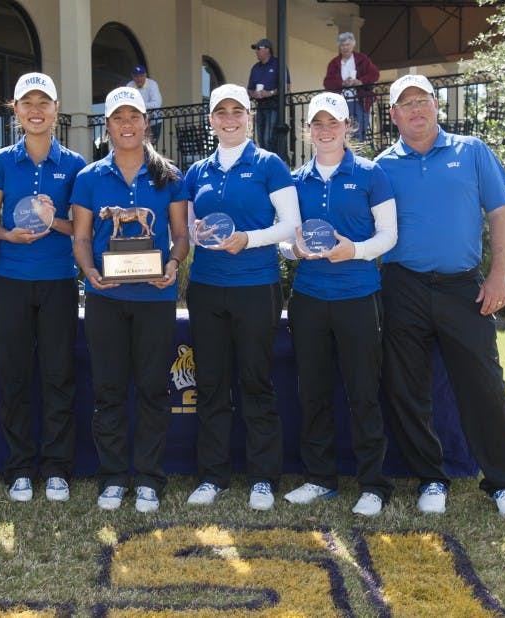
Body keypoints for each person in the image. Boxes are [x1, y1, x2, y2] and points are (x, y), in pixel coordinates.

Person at [375, 74, 505, 518]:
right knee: (407, 388)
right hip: (402, 286)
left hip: (465, 287)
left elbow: (500, 213)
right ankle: (431, 478)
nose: (416, 109)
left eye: (422, 100)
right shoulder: (382, 165)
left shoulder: (473, 151)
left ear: (436, 106)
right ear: (393, 116)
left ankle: (501, 481)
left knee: (484, 384)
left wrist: (499, 275)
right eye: (406, 104)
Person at [71, 86, 189, 513]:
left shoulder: (169, 176)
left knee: (153, 388)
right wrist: (89, 271)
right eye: (118, 118)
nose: (126, 125)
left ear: (145, 123)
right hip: (106, 297)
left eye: (133, 117)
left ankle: (150, 479)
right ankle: (114, 476)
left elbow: (180, 236)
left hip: (156, 297)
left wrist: (173, 265)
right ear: (108, 126)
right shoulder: (89, 177)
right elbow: (82, 237)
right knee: (108, 389)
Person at [184, 84, 300, 511]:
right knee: (211, 383)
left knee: (256, 381)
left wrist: (247, 239)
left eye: (237, 110)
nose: (229, 118)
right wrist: (196, 237)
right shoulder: (196, 172)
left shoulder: (270, 164)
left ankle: (263, 478)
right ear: (210, 120)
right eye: (221, 112)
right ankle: (212, 475)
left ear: (249, 117)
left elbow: (290, 226)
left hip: (257, 286)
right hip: (208, 288)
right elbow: (192, 231)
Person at [281, 92, 397, 516]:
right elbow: (285, 242)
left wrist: (355, 251)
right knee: (312, 392)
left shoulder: (371, 174)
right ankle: (320, 479)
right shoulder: (294, 179)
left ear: (349, 126)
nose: (326, 130)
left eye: (334, 122)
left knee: (363, 392)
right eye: (317, 123)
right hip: (309, 298)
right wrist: (295, 251)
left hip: (358, 297)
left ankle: (373, 484)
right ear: (307, 130)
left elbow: (388, 236)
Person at [0, 72, 86, 503]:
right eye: (28, 103)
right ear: (16, 110)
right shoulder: (1, 162)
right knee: (14, 375)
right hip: (11, 280)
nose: (36, 110)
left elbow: (80, 230)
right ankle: (20, 467)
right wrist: (7, 235)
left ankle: (57, 468)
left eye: (44, 102)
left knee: (60, 375)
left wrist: (52, 221)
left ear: (56, 110)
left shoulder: (77, 165)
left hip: (59, 280)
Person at [323, 33, 380, 141]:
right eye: (343, 45)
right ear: (339, 46)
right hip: (341, 102)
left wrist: (360, 81)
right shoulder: (334, 63)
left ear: (352, 45)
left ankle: (358, 156)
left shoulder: (362, 59)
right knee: (342, 131)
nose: (345, 48)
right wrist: (342, 83)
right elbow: (327, 83)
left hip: (360, 99)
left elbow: (374, 74)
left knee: (359, 131)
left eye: (348, 45)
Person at [247, 39, 290, 155]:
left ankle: (275, 161)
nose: (256, 52)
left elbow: (286, 86)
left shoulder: (278, 64)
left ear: (267, 50)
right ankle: (266, 162)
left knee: (269, 137)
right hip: (260, 105)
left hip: (274, 104)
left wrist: (269, 93)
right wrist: (254, 94)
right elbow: (249, 89)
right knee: (261, 139)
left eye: (258, 49)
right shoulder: (255, 68)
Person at [126, 64, 163, 147]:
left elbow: (157, 104)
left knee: (151, 147)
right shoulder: (129, 86)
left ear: (145, 75)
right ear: (132, 76)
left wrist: (138, 106)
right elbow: (128, 104)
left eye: (141, 76)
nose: (139, 79)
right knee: (138, 147)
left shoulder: (152, 84)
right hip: (136, 123)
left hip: (153, 121)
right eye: (136, 76)